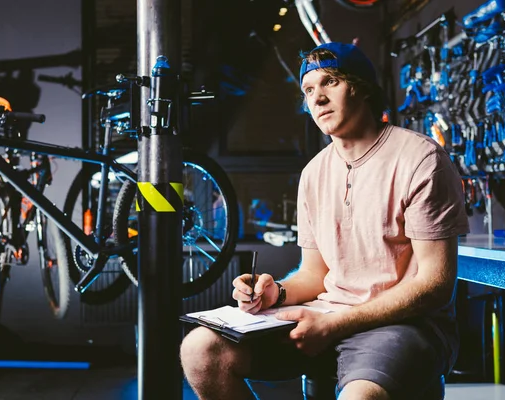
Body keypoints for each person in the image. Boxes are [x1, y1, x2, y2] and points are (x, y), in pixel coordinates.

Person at [180, 42, 469, 400]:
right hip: (327, 313)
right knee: (200, 350)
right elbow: (315, 274)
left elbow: (435, 284)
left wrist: (335, 325)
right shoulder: (314, 173)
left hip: (404, 325)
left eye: (330, 82)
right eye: (309, 89)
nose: (317, 98)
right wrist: (276, 293)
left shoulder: (421, 160)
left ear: (361, 87)